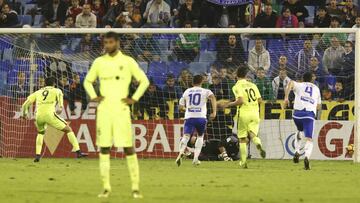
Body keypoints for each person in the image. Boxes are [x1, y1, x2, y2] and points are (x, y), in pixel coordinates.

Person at [83, 32, 149, 199]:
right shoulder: (99, 62)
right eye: (106, 42)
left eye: (111, 42)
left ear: (117, 43)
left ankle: (135, 188)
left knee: (128, 147)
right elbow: (87, 81)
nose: (108, 45)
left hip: (121, 110)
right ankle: (106, 188)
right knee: (104, 148)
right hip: (104, 110)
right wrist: (94, 97)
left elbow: (144, 80)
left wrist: (133, 99)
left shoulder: (127, 61)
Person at [21, 76, 87, 163]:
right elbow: (60, 104)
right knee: (68, 129)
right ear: (54, 84)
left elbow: (25, 104)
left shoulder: (38, 92)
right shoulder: (57, 90)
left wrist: (24, 114)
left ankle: (37, 155)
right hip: (50, 115)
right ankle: (78, 152)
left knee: (41, 133)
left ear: (45, 83)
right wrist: (60, 108)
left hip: (38, 116)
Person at [220, 66, 266, 168]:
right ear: (246, 75)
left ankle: (244, 161)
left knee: (242, 139)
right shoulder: (253, 84)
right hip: (255, 113)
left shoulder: (237, 86)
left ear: (236, 75)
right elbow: (260, 100)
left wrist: (228, 104)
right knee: (253, 135)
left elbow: (240, 100)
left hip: (244, 114)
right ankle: (258, 143)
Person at [175, 75, 217, 166]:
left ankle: (181, 152)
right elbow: (213, 98)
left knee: (186, 136)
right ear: (201, 81)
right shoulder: (206, 91)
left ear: (192, 82)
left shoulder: (187, 91)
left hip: (189, 117)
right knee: (200, 137)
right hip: (201, 117)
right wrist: (214, 112)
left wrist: (189, 109)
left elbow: (181, 107)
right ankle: (195, 159)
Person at [284, 72, 321, 170]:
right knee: (309, 138)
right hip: (309, 116)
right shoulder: (316, 89)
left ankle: (296, 151)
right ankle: (306, 158)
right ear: (312, 79)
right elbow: (318, 106)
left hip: (297, 115)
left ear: (302, 79)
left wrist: (286, 98)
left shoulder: (299, 85)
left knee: (299, 130)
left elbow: (290, 82)